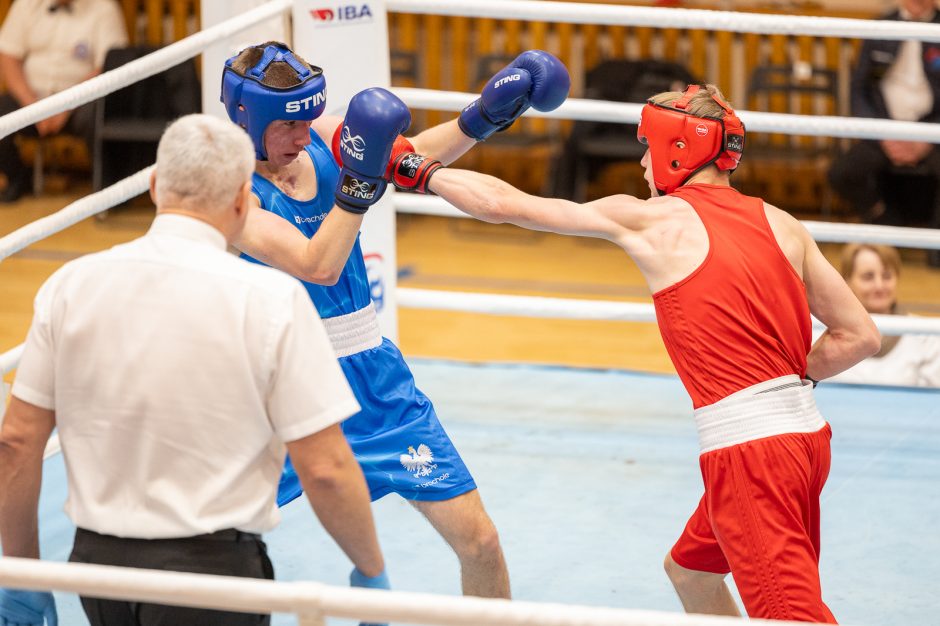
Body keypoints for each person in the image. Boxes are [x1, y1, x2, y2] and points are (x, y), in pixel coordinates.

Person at [395, 84, 881, 621]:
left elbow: (503, 204)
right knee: (691, 570)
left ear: (679, 148)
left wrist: (418, 167)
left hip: (752, 454)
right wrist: (788, 380)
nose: (645, 162)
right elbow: (859, 336)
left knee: (791, 615)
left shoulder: (653, 220)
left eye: (649, 147)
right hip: (807, 440)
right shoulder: (782, 222)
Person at [0, 113, 386, 626]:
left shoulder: (71, 285)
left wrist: (22, 578)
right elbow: (326, 468)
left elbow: (17, 444)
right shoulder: (270, 300)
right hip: (212, 575)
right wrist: (370, 573)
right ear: (242, 201)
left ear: (157, 186)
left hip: (95, 570)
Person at [219, 41, 570, 601]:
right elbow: (320, 266)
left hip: (377, 384)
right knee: (210, 543)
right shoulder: (232, 194)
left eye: (306, 120)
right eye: (286, 126)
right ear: (248, 119)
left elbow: (405, 156)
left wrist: (480, 118)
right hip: (281, 391)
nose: (300, 135)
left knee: (479, 541)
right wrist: (358, 188)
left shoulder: (325, 135)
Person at [827, 0, 940, 265]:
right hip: (884, 129)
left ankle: (936, 244)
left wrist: (928, 139)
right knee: (843, 173)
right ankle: (885, 224)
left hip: (932, 132)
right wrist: (880, 133)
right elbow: (859, 89)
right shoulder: (882, 26)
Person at [0, 0, 128, 203]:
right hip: (32, 99)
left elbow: (109, 65)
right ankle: (18, 179)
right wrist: (32, 106)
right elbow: (8, 56)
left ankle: (106, 191)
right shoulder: (26, 4)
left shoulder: (103, 8)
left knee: (100, 116)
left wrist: (66, 105)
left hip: (81, 101)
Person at [825, 243, 940, 386]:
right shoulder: (822, 334)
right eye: (868, 277)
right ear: (847, 281)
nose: (879, 286)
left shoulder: (926, 336)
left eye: (887, 276)